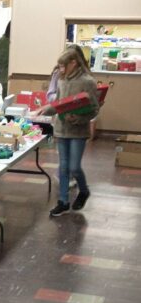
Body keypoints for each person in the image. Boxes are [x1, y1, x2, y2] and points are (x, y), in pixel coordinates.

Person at [35, 48, 99, 217]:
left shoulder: (88, 81)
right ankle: (63, 201)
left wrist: (79, 119)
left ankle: (84, 190)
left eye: (63, 66)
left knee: (74, 167)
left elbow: (94, 109)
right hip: (62, 129)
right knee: (63, 167)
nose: (61, 70)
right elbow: (57, 104)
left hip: (78, 131)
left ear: (74, 63)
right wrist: (44, 110)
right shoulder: (62, 81)